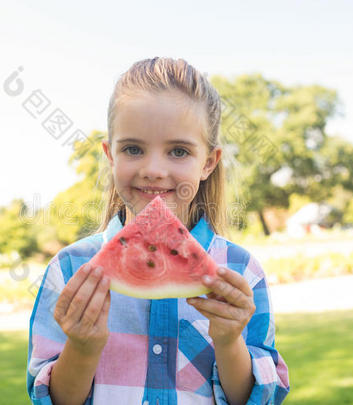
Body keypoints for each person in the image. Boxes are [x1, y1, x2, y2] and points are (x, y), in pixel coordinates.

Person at [27, 57, 290, 405]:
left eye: (178, 151)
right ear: (110, 155)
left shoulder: (241, 271)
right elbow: (51, 399)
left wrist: (229, 341)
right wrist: (82, 347)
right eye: (133, 149)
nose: (153, 169)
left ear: (208, 162)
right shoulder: (70, 269)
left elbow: (258, 398)